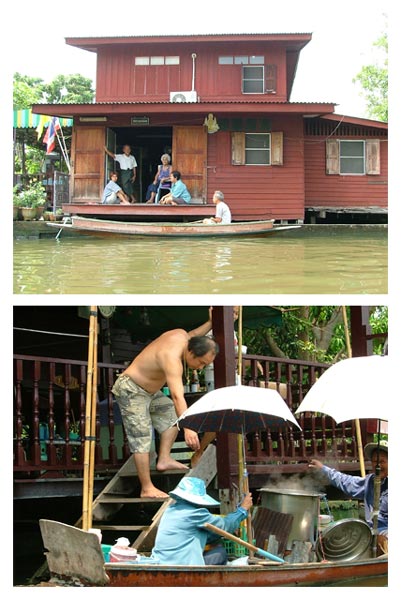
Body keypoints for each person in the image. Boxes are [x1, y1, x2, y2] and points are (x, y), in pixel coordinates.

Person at [112, 310, 217, 499]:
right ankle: (146, 488)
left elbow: (194, 335)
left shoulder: (182, 336)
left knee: (171, 419)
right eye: (201, 363)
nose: (200, 368)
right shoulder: (172, 359)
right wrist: (189, 428)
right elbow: (178, 396)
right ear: (191, 352)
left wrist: (210, 322)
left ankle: (164, 459)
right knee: (142, 436)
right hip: (131, 389)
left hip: (150, 392)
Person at [150, 477, 253, 565]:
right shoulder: (195, 514)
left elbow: (195, 535)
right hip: (183, 564)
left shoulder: (170, 511)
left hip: (161, 561)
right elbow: (225, 525)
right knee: (220, 553)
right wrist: (242, 510)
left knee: (214, 546)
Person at [309, 439, 388, 549]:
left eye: (382, 461)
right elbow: (347, 481)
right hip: (371, 532)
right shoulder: (370, 481)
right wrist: (323, 469)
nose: (377, 465)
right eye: (375, 461)